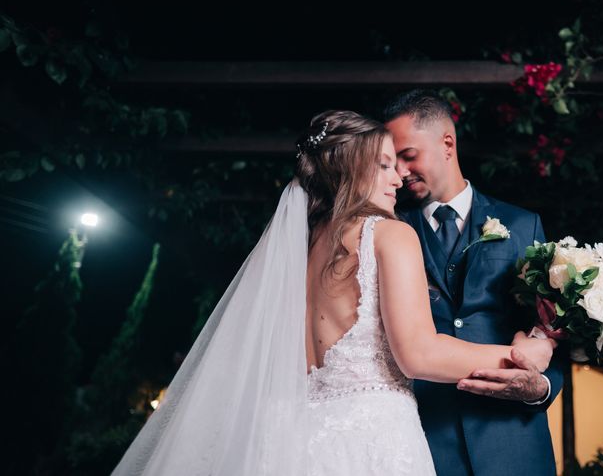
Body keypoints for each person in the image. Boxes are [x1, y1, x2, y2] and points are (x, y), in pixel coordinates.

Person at [111, 110, 553, 476]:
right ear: (350, 168)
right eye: (383, 164)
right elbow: (418, 354)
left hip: (293, 443)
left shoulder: (296, 251)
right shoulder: (390, 235)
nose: (397, 177)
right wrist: (522, 356)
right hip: (373, 443)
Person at [386, 90, 566, 476]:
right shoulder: (390, 230)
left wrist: (541, 387)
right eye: (393, 160)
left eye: (408, 155)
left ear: (447, 143)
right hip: (426, 441)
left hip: (513, 442)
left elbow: (551, 331)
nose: (400, 172)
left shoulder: (522, 224)